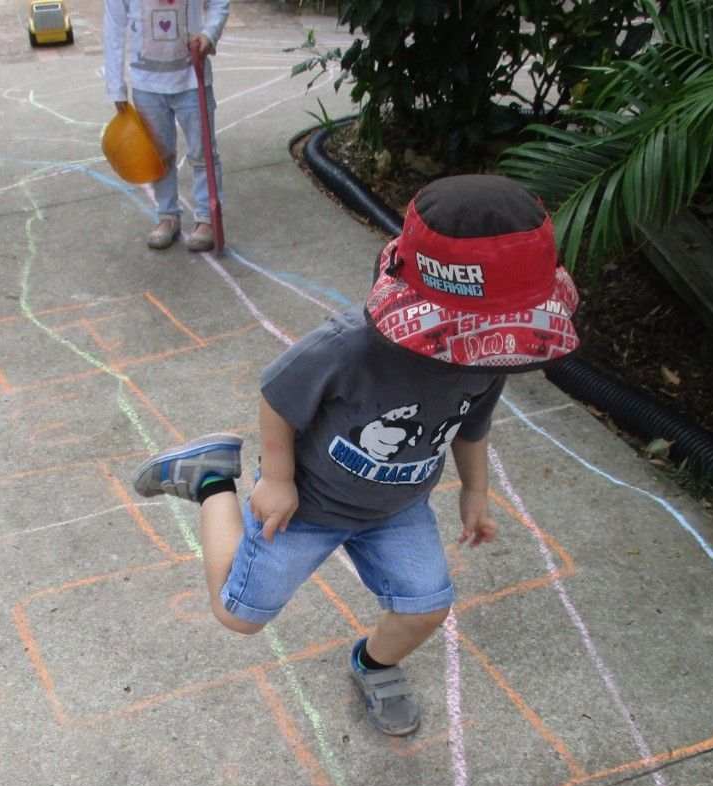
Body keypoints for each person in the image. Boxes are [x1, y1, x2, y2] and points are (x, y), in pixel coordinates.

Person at [133, 175, 580, 734]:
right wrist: (276, 478)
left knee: (426, 604)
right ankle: (210, 480)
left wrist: (475, 490)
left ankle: (374, 663)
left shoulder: (495, 353)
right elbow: (278, 395)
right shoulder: (350, 345)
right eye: (484, 331)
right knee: (237, 615)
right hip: (308, 504)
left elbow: (472, 424)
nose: (489, 348)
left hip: (396, 508)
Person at [103, 0, 230, 251]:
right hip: (147, 83)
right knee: (159, 156)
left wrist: (209, 34)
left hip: (192, 79)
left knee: (202, 152)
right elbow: (114, 25)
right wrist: (115, 84)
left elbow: (218, 3)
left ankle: (206, 216)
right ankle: (167, 213)